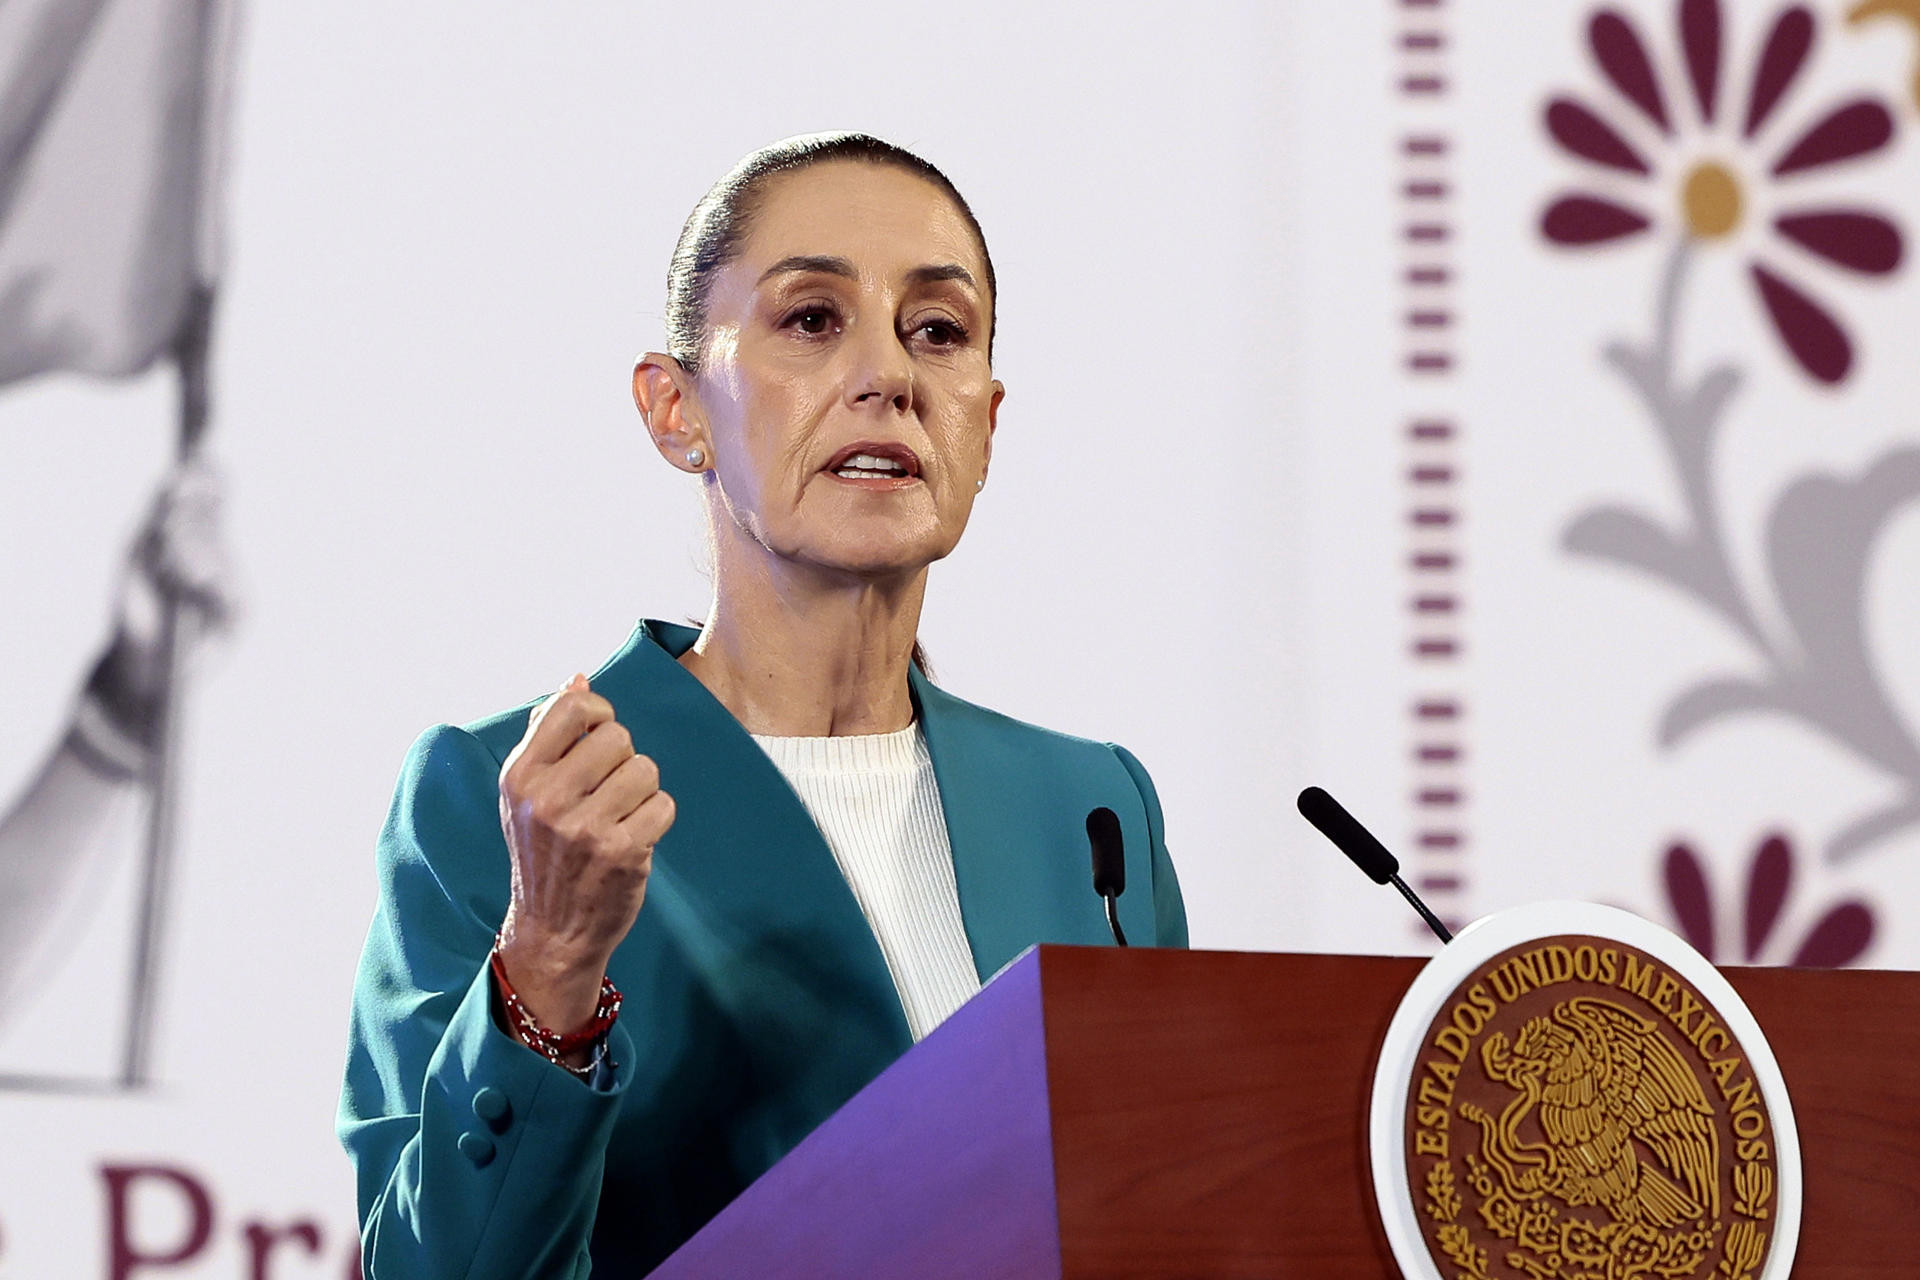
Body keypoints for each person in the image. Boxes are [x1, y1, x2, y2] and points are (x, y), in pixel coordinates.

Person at [338, 132, 1187, 1278]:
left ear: (985, 424)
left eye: (937, 330)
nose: (889, 373)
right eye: (812, 319)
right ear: (676, 409)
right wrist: (546, 959)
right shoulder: (515, 798)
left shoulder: (1089, 807)